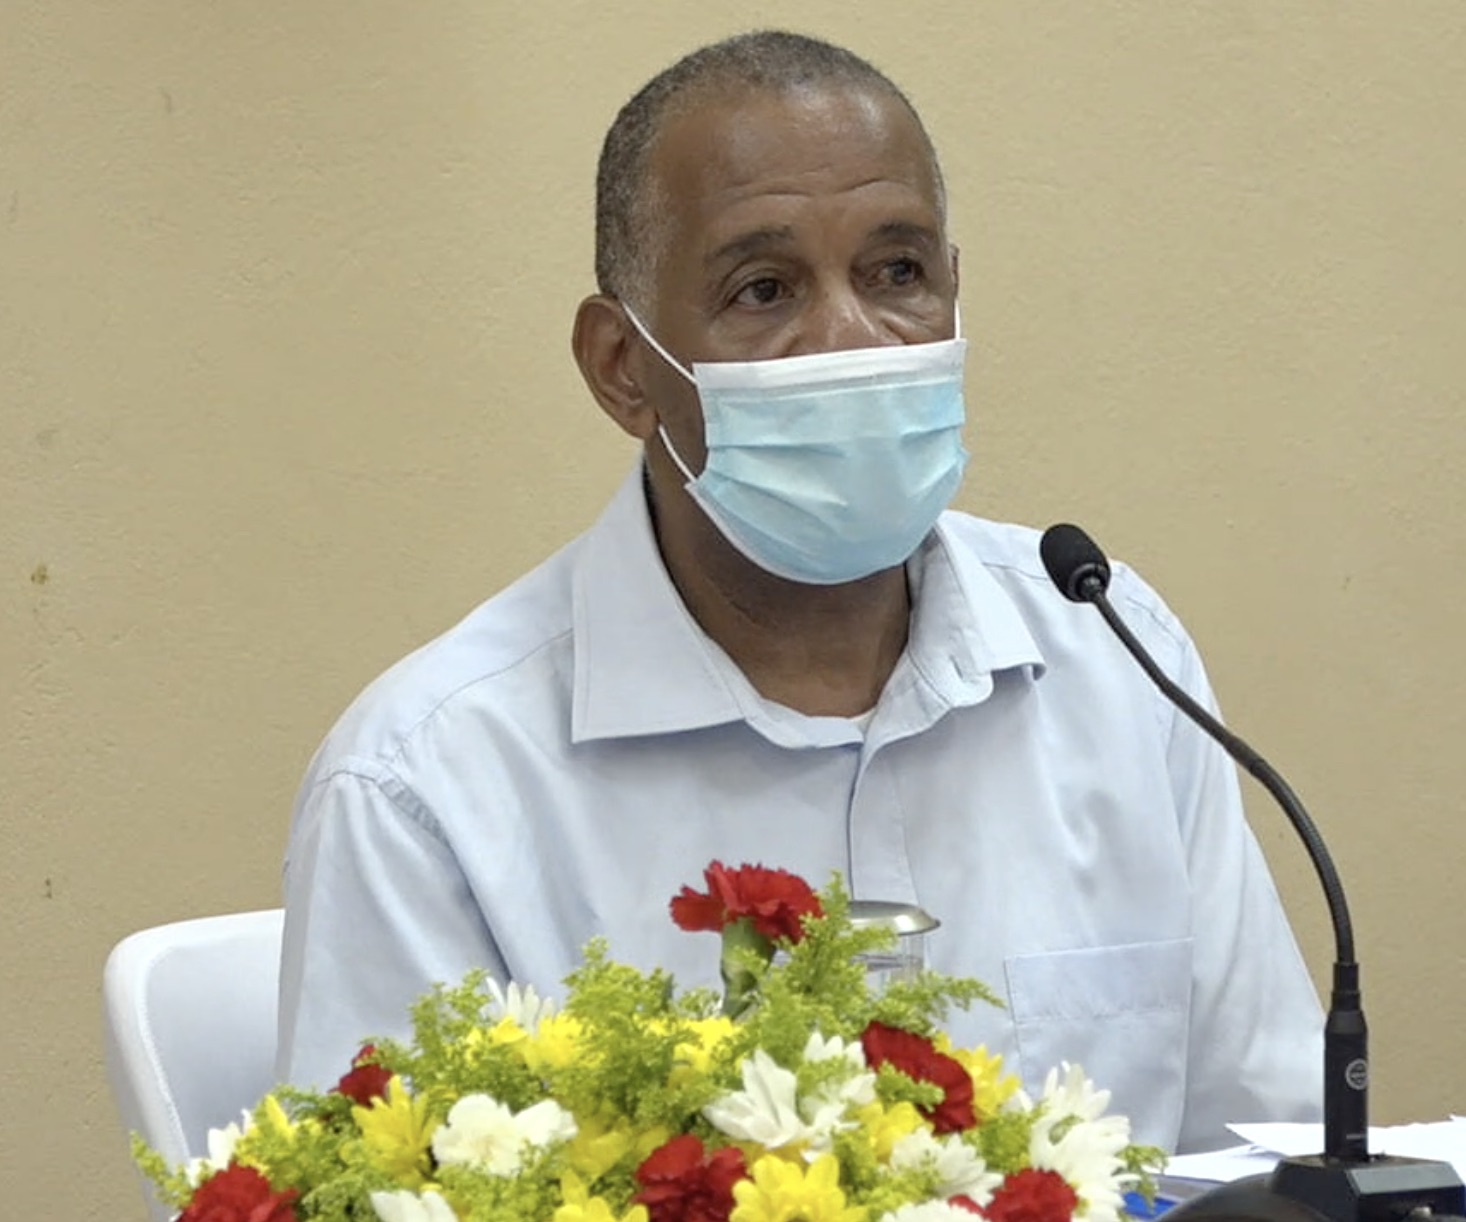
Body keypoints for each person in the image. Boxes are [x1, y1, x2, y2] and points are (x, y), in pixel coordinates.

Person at [277, 30, 1322, 1153]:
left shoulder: (1109, 652)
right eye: (764, 288)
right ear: (622, 369)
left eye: (897, 273)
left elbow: (1271, 1150)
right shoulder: (428, 785)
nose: (849, 338)